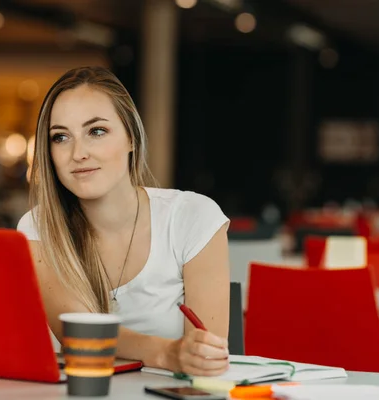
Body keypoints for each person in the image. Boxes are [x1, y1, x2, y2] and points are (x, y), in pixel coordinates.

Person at [16, 66, 230, 377]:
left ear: (131, 138)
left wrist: (193, 355)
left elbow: (205, 357)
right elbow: (80, 335)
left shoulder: (193, 217)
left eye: (96, 131)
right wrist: (169, 353)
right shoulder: (37, 228)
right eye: (60, 137)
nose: (78, 153)